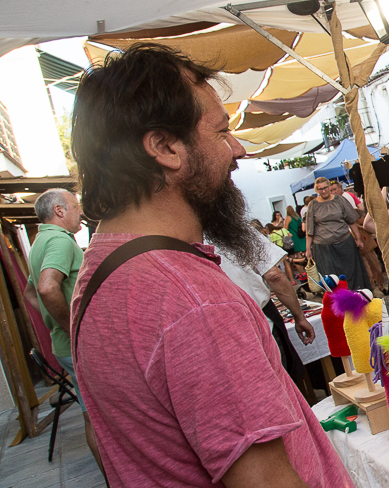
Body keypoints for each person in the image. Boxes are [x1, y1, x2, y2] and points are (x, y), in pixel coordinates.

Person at [69, 44, 352, 486]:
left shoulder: (100, 269)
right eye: (221, 133)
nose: (237, 149)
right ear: (164, 147)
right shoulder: (191, 299)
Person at [24, 189, 104, 479]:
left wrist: (52, 322)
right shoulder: (59, 240)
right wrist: (72, 327)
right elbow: (46, 287)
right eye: (75, 206)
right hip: (75, 343)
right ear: (59, 211)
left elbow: (29, 293)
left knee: (91, 412)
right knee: (100, 416)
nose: (80, 212)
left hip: (64, 345)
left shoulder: (40, 241)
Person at [212, 229, 315, 400]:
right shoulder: (236, 228)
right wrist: (299, 317)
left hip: (222, 332)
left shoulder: (178, 237)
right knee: (281, 388)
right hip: (258, 320)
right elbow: (274, 276)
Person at [305, 176, 371, 290]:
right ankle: (338, 304)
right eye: (320, 189)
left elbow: (351, 221)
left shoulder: (339, 200)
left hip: (344, 242)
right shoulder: (313, 205)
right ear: (316, 190)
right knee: (331, 279)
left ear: (329, 187)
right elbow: (309, 229)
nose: (324, 190)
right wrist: (308, 249)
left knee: (351, 274)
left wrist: (358, 239)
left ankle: (356, 299)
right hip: (323, 246)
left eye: (326, 187)